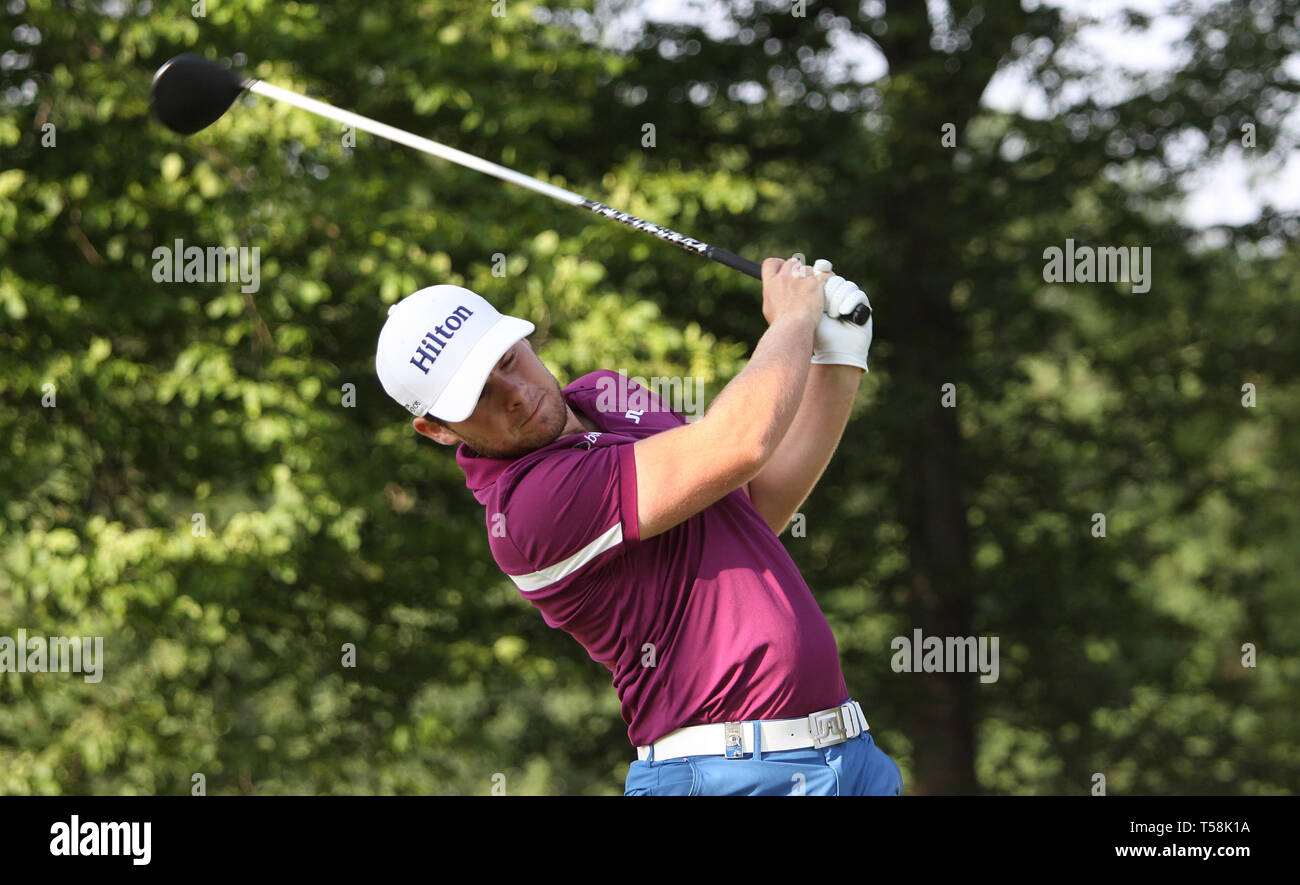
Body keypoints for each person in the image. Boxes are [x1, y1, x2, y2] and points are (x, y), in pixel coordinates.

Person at [374, 255, 902, 795]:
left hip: (849, 758)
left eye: (508, 361)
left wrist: (838, 357)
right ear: (436, 430)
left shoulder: (609, 393)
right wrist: (793, 318)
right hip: (726, 777)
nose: (513, 393)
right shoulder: (528, 507)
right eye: (478, 395)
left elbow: (751, 507)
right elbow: (738, 443)